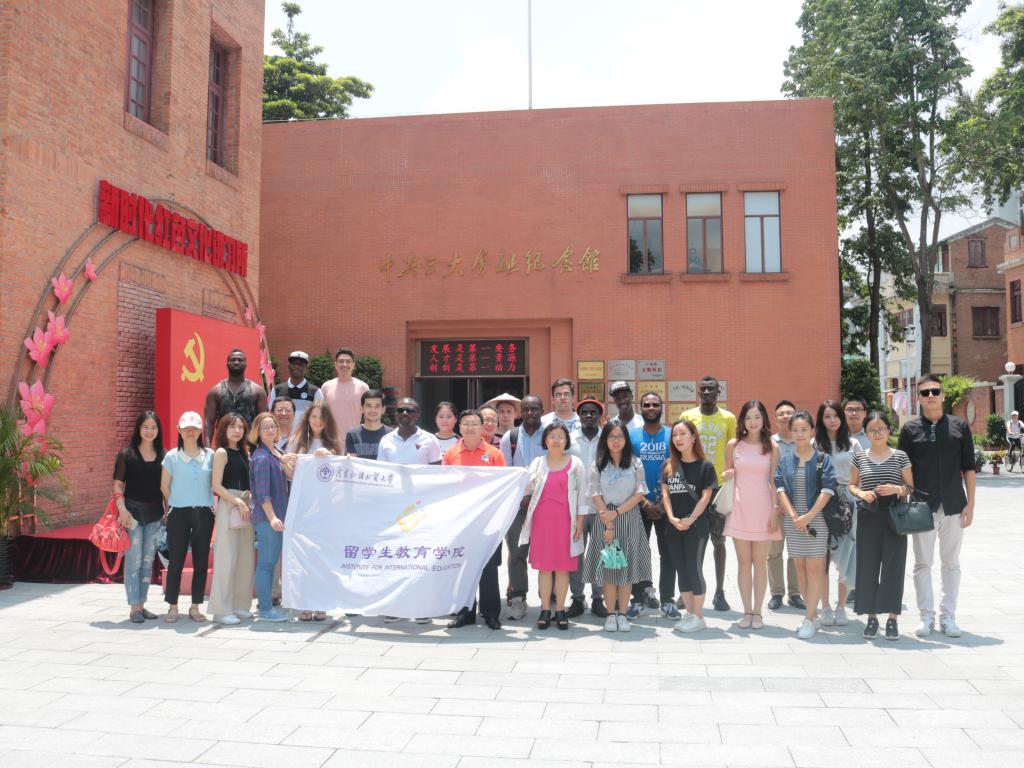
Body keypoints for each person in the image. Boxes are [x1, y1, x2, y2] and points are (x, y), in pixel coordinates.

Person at [898, 374, 976, 639]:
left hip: (954, 504)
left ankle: (948, 616)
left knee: (951, 562)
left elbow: (969, 467)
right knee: (922, 563)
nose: (930, 396)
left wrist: (971, 504)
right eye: (925, 392)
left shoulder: (959, 426)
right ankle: (926, 616)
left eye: (934, 391)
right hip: (922, 507)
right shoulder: (910, 430)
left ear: (943, 395)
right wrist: (905, 503)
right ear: (918, 398)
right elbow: (903, 470)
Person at [849, 410, 914, 640]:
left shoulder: (900, 456)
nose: (877, 433)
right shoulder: (859, 457)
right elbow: (852, 485)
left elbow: (910, 487)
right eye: (872, 430)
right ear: (866, 433)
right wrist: (861, 493)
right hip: (869, 515)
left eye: (881, 429)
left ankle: (892, 618)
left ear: (889, 430)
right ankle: (871, 618)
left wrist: (896, 489)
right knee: (867, 567)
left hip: (894, 516)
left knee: (893, 568)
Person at [378, 397, 442, 625]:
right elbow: (381, 473)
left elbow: (437, 474)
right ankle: (396, 605)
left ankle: (422, 606)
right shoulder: (385, 440)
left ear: (418, 415)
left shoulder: (430, 440)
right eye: (401, 410)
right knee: (396, 556)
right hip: (394, 507)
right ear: (395, 414)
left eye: (410, 410)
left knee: (421, 557)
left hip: (420, 508)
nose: (405, 413)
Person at [774, 410, 837, 639]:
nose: (799, 434)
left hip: (816, 521)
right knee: (799, 568)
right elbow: (780, 488)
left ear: (812, 431)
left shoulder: (822, 459)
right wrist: (794, 516)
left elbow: (828, 490)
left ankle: (810, 619)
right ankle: (811, 614)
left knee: (815, 569)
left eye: (804, 429)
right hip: (794, 523)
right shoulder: (785, 460)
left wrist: (808, 516)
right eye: (795, 430)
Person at [582, 422, 651, 633]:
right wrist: (609, 523)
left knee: (626, 570)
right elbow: (595, 494)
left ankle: (623, 613)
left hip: (629, 520)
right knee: (610, 569)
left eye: (620, 436)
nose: (616, 440)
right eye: (611, 436)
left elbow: (639, 493)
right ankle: (610, 614)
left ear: (626, 439)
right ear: (605, 439)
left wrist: (617, 513)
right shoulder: (598, 465)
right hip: (606, 521)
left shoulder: (635, 463)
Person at [520, 423, 588, 630]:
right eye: (552, 436)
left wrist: (580, 522)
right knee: (544, 568)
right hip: (542, 523)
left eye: (560, 436)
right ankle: (544, 610)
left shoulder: (575, 463)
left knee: (562, 569)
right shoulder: (537, 463)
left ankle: (560, 610)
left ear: (567, 440)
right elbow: (525, 486)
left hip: (566, 522)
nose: (556, 440)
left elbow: (582, 495)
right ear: (545, 440)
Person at [444, 409, 506, 630]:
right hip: (461, 520)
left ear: (482, 428)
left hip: (488, 520)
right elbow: (444, 486)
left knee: (488, 567)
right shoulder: (451, 454)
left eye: (474, 424)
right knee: (462, 567)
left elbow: (503, 487)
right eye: (466, 423)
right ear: (459, 427)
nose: (470, 427)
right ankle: (465, 613)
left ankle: (491, 613)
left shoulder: (494, 454)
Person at [722, 400, 781, 631]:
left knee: (760, 562)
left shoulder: (772, 447)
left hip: (764, 509)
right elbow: (727, 474)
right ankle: (746, 611)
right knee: (744, 562)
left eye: (757, 417)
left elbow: (774, 480)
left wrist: (775, 509)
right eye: (748, 418)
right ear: (742, 421)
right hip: (739, 508)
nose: (753, 422)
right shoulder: (733, 445)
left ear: (764, 419)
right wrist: (726, 475)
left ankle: (758, 612)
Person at [683, 376, 736, 612]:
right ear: (698, 392)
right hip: (693, 487)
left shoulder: (728, 418)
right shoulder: (688, 416)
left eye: (711, 389)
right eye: (703, 389)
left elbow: (733, 450)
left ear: (718, 392)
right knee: (691, 541)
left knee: (718, 540)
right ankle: (689, 590)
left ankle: (719, 592)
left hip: (719, 487)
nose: (706, 392)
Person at [661, 419, 718, 633]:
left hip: (697, 527)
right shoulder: (668, 465)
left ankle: (698, 616)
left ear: (694, 437)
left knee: (694, 569)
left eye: (683, 434)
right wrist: (672, 518)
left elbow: (706, 496)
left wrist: (691, 518)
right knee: (681, 569)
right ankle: (689, 614)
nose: (678, 438)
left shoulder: (705, 466)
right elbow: (666, 495)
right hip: (673, 526)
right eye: (675, 435)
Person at [160, 411, 216, 623]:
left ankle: (195, 606)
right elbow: (164, 486)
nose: (190, 432)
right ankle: (172, 606)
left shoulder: (210, 455)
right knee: (176, 562)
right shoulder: (172, 456)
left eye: (194, 428)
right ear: (179, 430)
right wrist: (172, 506)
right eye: (186, 428)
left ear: (201, 431)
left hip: (204, 513)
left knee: (201, 562)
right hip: (179, 514)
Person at [114, 411, 166, 623]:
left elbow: (166, 488)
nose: (149, 431)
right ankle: (134, 608)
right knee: (133, 560)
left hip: (155, 515)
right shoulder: (126, 455)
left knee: (147, 561)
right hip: (132, 514)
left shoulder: (164, 455)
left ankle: (142, 605)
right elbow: (118, 485)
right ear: (138, 428)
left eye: (153, 427)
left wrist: (167, 512)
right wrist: (122, 509)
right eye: (145, 427)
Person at [628, 392, 676, 621]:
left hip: (667, 505)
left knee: (668, 555)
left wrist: (663, 502)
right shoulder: (632, 436)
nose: (650, 408)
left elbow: (678, 469)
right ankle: (637, 600)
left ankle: (667, 601)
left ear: (661, 407)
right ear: (640, 408)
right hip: (640, 504)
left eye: (655, 404)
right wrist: (645, 501)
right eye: (646, 404)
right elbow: (627, 471)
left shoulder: (672, 434)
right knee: (638, 554)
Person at [500, 394, 547, 620]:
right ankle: (518, 598)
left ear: (542, 411)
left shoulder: (550, 434)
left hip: (546, 503)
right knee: (517, 552)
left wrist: (536, 496)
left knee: (547, 553)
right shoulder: (510, 437)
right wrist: (521, 497)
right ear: (521, 412)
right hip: (518, 505)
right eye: (526, 409)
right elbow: (506, 474)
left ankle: (549, 600)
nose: (530, 413)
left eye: (534, 409)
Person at [814, 400, 860, 629]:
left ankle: (841, 606)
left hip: (847, 503)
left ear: (841, 418)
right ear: (821, 420)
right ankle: (825, 606)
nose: (831, 420)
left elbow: (861, 476)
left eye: (835, 416)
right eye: (827, 416)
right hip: (822, 502)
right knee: (822, 558)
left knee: (846, 554)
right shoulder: (814, 444)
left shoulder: (853, 444)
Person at [208, 413, 255, 625]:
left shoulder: (245, 452)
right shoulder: (221, 452)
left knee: (245, 558)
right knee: (226, 559)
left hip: (245, 505)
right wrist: (237, 501)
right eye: (232, 427)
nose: (237, 431)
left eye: (240, 427)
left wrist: (246, 500)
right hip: (229, 505)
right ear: (224, 429)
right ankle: (221, 610)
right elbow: (216, 485)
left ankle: (240, 605)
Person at [567, 399, 608, 618]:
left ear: (600, 416)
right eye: (584, 412)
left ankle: (598, 598)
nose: (589, 415)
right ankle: (577, 598)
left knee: (600, 552)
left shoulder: (608, 438)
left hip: (602, 505)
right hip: (576, 506)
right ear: (579, 415)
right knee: (577, 553)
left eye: (593, 412)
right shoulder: (570, 439)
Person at [249, 412, 292, 622]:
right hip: (268, 519)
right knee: (266, 564)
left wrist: (286, 460)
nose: (270, 430)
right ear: (257, 431)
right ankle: (265, 609)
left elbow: (290, 475)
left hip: (279, 516)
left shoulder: (276, 452)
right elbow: (262, 493)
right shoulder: (261, 457)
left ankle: (267, 608)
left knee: (271, 562)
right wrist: (273, 518)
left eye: (273, 426)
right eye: (265, 427)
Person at [768, 399, 803, 611]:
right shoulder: (769, 443)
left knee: (796, 551)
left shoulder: (804, 440)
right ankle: (776, 593)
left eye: (789, 412)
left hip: (799, 506)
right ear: (775, 418)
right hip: (775, 505)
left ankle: (795, 593)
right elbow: (767, 475)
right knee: (773, 551)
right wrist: (776, 502)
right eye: (781, 413)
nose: (785, 416)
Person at [204, 349, 267, 439]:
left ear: (246, 364)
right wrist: (207, 446)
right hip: (224, 442)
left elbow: (262, 421)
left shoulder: (257, 391)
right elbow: (209, 421)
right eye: (233, 360)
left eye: (240, 360)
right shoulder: (215, 391)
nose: (236, 362)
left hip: (249, 443)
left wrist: (262, 445)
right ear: (227, 364)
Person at [320, 346, 369, 440]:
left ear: (353, 365)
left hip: (354, 439)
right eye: (341, 361)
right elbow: (321, 414)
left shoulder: (363, 388)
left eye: (348, 361)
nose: (344, 364)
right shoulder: (326, 387)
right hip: (331, 440)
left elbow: (368, 415)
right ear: (335, 364)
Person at [268, 351, 323, 427]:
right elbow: (271, 416)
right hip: (281, 434)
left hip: (305, 434)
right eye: (294, 363)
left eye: (301, 364)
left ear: (306, 368)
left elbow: (320, 417)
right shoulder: (277, 390)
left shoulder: (316, 392)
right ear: (288, 366)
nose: (297, 366)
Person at [345, 389, 392, 460]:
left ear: (383, 409)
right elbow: (352, 463)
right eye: (368, 406)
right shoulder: (352, 435)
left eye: (377, 406)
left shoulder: (392, 435)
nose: (373, 410)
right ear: (362, 409)